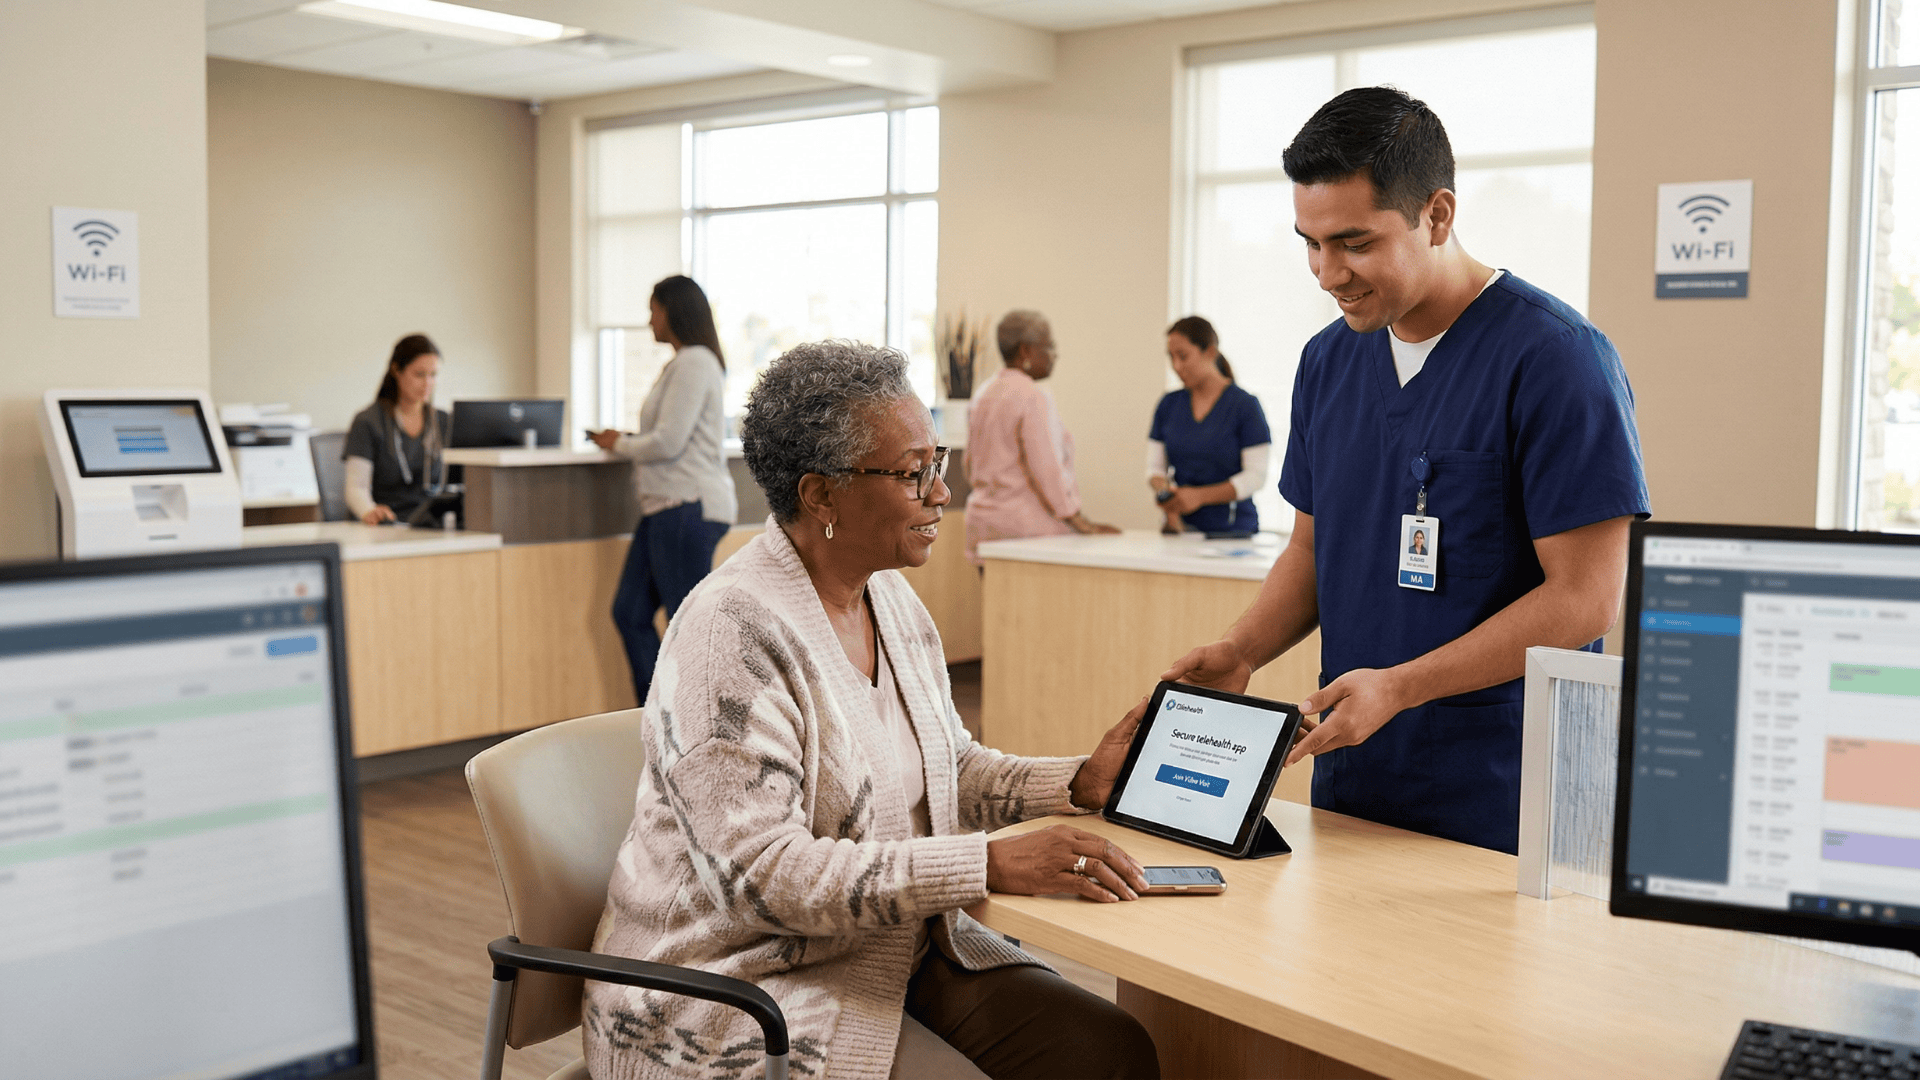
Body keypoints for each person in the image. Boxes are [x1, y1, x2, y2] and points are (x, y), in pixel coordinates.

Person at [587, 341, 1160, 1080]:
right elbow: (765, 878)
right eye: (912, 472)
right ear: (821, 494)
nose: (941, 493)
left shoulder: (888, 595)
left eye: (938, 461)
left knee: (1112, 1053)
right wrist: (983, 863)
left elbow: (946, 768)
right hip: (733, 990)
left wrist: (1077, 783)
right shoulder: (729, 632)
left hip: (886, 951)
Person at [1161, 87, 1650, 855]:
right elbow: (1314, 553)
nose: (1327, 273)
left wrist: (1403, 685)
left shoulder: (1557, 360)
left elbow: (1587, 599)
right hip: (1359, 773)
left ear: (1438, 215)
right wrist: (1243, 649)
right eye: (1310, 243)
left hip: (1508, 788)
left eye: (1354, 243)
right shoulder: (1328, 362)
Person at [589, 275, 738, 706]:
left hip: (686, 506)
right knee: (630, 612)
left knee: (686, 629)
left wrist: (619, 443)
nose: (649, 318)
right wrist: (628, 439)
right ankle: (658, 715)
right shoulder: (686, 362)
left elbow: (669, 442)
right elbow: (670, 435)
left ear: (673, 311)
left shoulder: (694, 362)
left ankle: (692, 721)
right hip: (666, 508)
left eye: (653, 308)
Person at [963, 310, 1119, 565]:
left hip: (982, 525)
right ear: (1025, 351)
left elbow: (969, 465)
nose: (1053, 356)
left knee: (997, 605)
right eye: (1049, 347)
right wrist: (1076, 518)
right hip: (1024, 531)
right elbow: (1046, 469)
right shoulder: (1031, 395)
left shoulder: (983, 394)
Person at [1146, 316, 1272, 535]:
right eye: (1171, 357)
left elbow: (1255, 477)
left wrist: (1199, 497)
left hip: (1234, 533)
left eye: (1183, 356)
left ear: (1210, 352)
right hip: (1183, 531)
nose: (1176, 366)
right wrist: (1166, 494)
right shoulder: (1169, 404)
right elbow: (1154, 469)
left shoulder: (1245, 406)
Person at [342, 334, 452, 526]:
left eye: (433, 375)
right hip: (387, 524)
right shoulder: (368, 422)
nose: (427, 383)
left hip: (431, 524)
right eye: (419, 374)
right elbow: (356, 487)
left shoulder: (444, 422)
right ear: (396, 370)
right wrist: (369, 511)